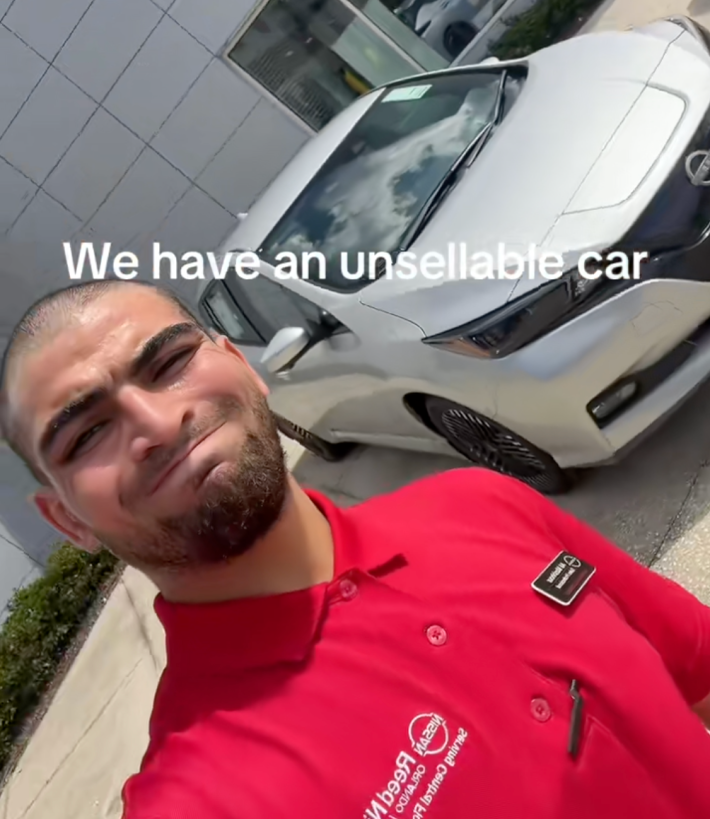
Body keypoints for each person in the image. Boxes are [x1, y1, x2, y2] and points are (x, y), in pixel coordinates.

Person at [1, 278, 709, 819]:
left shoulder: (481, 502)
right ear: (69, 523)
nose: (157, 422)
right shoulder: (197, 800)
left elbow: (695, 673)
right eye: (86, 434)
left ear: (241, 364)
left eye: (171, 361)